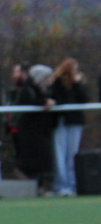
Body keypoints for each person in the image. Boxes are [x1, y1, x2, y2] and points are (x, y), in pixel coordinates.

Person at [9, 63, 55, 194]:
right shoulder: (28, 89)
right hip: (30, 130)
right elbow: (30, 103)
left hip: (40, 129)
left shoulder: (41, 88)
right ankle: (31, 181)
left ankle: (38, 185)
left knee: (40, 160)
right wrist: (44, 103)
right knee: (33, 159)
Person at [47, 58, 90, 197]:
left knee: (73, 154)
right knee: (60, 154)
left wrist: (77, 83)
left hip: (75, 122)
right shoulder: (57, 82)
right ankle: (60, 186)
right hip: (61, 121)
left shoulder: (80, 82)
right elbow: (56, 98)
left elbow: (84, 98)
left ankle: (71, 185)